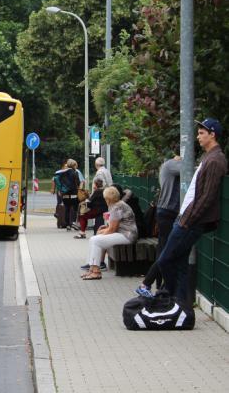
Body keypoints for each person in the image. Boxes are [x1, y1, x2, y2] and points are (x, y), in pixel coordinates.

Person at [155, 119, 227, 303]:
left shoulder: (215, 160)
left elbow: (207, 196)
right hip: (186, 218)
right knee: (179, 263)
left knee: (166, 260)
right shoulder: (208, 157)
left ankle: (169, 298)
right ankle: (180, 304)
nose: (198, 136)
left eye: (202, 133)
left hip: (190, 221)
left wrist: (187, 220)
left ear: (213, 135)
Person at [135, 154, 182, 297]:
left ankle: (159, 286)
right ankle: (147, 284)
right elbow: (191, 171)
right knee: (167, 251)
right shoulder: (172, 164)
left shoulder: (166, 165)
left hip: (165, 211)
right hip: (169, 211)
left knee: (164, 250)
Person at [81, 186, 138, 280]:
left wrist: (102, 232)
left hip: (127, 235)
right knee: (94, 239)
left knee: (96, 240)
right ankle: (92, 269)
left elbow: (112, 229)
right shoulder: (118, 204)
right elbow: (113, 226)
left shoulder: (116, 207)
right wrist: (103, 230)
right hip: (125, 233)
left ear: (107, 198)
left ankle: (96, 272)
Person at [53, 159, 80, 231]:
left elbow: (59, 182)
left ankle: (68, 225)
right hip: (73, 194)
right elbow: (78, 182)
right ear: (73, 165)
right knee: (74, 209)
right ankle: (73, 223)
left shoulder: (62, 173)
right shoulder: (75, 173)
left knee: (67, 209)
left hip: (65, 194)